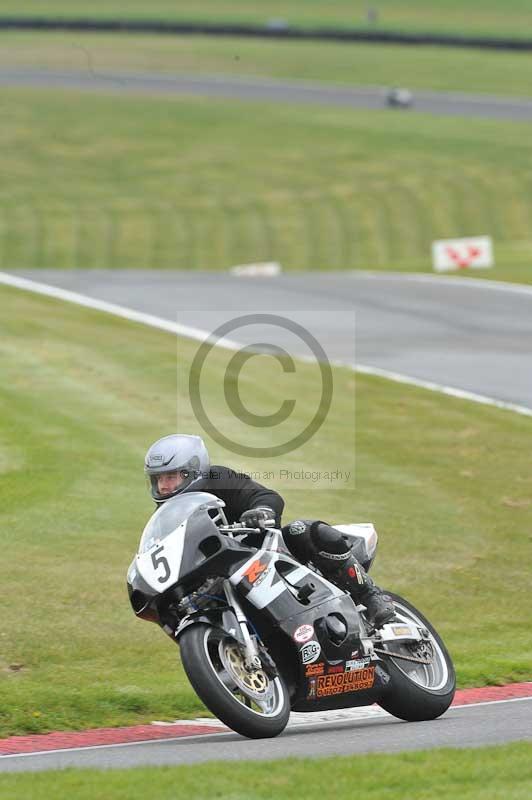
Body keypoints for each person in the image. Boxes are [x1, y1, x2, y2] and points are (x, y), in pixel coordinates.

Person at [144, 433, 395, 628]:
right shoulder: (166, 516)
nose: (164, 486)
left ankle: (371, 597)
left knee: (303, 530)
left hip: (263, 552)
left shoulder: (219, 479)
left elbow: (263, 495)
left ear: (193, 471)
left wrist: (262, 511)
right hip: (220, 579)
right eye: (159, 479)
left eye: (171, 477)